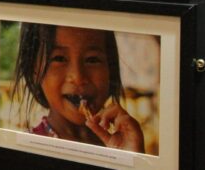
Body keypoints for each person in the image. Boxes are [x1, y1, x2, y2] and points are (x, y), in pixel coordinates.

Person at [11, 23, 144, 152]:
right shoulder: (27, 150)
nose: (78, 77)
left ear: (110, 70)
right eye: (59, 58)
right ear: (34, 71)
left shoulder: (120, 146)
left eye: (92, 59)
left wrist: (132, 158)